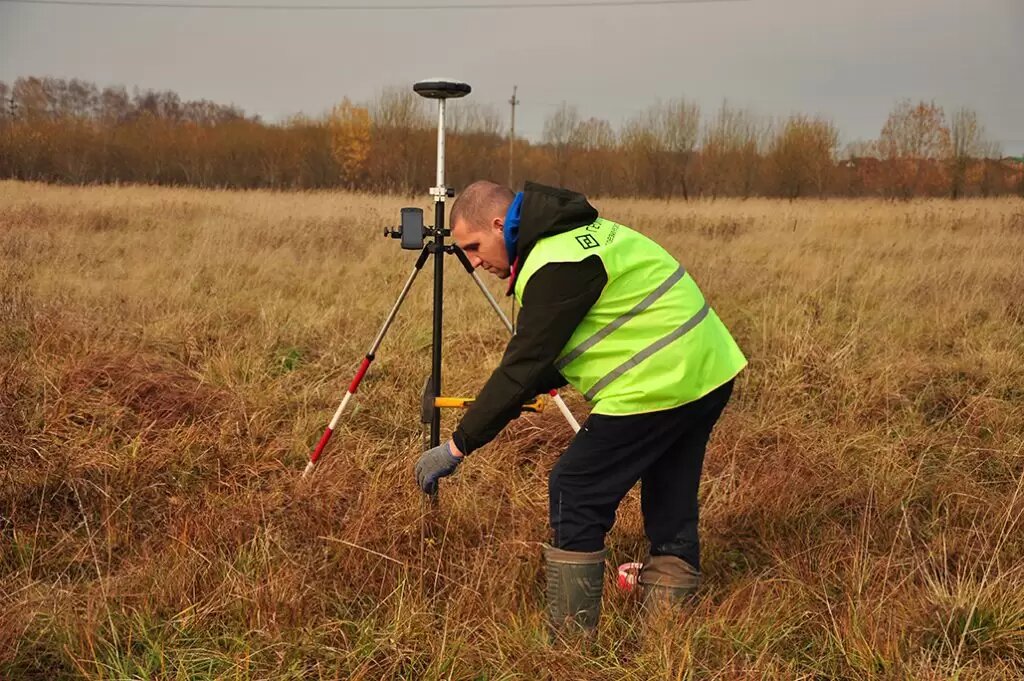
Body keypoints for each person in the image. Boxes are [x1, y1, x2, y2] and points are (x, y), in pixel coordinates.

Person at [414, 180, 746, 633]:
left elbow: (526, 364)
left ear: (498, 224)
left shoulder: (555, 261)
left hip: (660, 381)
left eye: (473, 247)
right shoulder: (576, 235)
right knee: (670, 488)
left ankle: (571, 637)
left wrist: (456, 446)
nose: (472, 262)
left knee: (576, 487)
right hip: (707, 369)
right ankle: (666, 631)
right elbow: (552, 359)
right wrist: (507, 399)